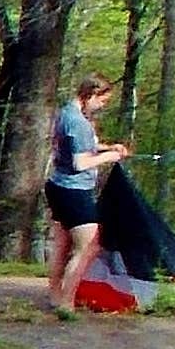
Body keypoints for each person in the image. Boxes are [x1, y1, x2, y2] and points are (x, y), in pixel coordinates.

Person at [45, 74, 130, 310]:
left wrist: (107, 146)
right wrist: (110, 157)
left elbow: (77, 145)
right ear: (91, 95)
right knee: (89, 247)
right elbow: (80, 162)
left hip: (57, 186)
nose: (102, 107)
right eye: (102, 101)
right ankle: (66, 303)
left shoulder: (67, 113)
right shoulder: (79, 123)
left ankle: (54, 295)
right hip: (74, 192)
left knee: (62, 245)